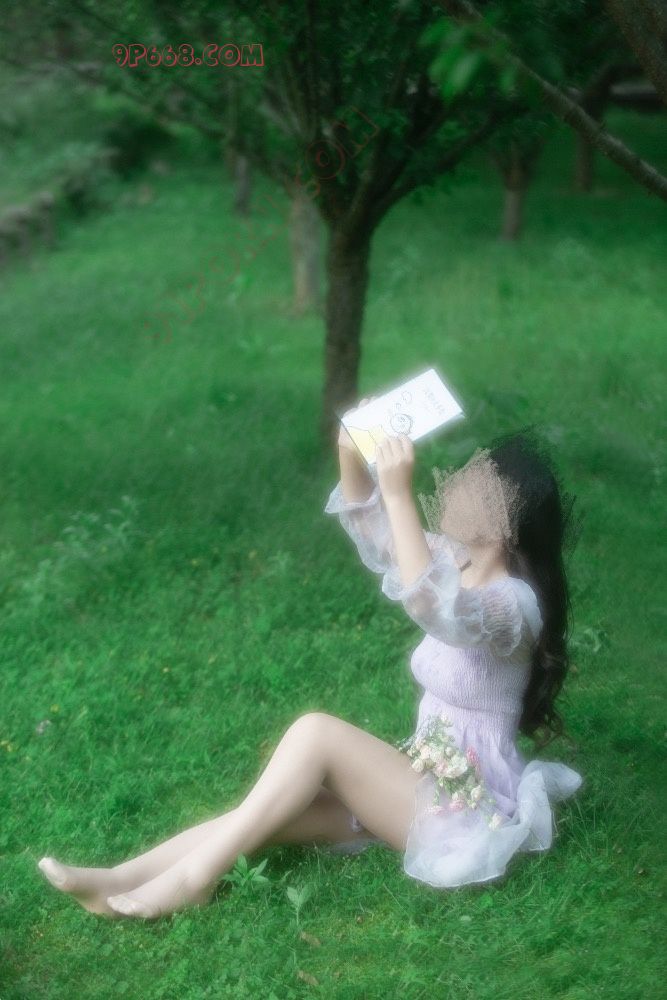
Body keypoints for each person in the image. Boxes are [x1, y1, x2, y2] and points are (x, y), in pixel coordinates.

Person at [37, 398, 583, 918]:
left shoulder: (515, 605)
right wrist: (352, 451)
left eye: (475, 484)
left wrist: (399, 493)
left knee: (316, 733)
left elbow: (434, 607)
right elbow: (382, 536)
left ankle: (191, 882)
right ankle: (117, 880)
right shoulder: (451, 561)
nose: (456, 484)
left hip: (463, 810)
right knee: (271, 809)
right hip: (418, 779)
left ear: (506, 520)